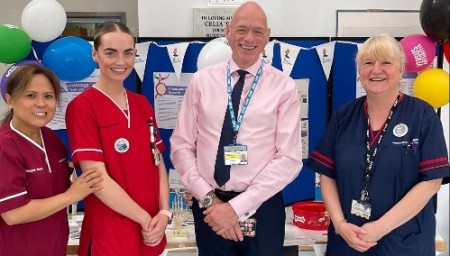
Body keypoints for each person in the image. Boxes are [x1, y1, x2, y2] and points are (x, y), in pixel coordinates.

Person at [170, 2, 302, 256]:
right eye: (241, 29)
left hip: (261, 207)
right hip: (209, 203)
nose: (249, 38)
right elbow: (181, 146)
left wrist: (235, 208)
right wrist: (210, 200)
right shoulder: (201, 81)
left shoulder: (284, 87)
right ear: (228, 32)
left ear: (268, 36)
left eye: (258, 31)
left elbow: (288, 158)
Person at [306, 34, 450, 255]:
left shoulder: (423, 116)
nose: (376, 70)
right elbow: (327, 175)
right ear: (359, 71)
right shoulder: (344, 117)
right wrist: (340, 225)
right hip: (348, 241)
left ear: (401, 69)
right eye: (368, 63)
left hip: (403, 243)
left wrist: (378, 229)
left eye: (386, 62)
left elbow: (431, 183)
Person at [65, 21, 171, 256]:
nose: (121, 62)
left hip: (151, 233)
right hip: (111, 234)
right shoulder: (82, 107)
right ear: (95, 54)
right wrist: (145, 218)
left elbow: (158, 161)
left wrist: (164, 213)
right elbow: (97, 179)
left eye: (128, 53)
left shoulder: (142, 104)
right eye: (110, 53)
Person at [0, 63, 102, 256]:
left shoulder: (52, 140)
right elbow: (13, 214)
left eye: (48, 96)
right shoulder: (5, 147)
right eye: (31, 96)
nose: (41, 104)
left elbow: (61, 186)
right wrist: (71, 196)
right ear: (10, 100)